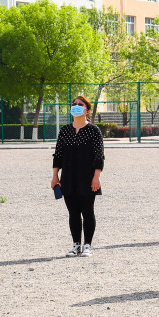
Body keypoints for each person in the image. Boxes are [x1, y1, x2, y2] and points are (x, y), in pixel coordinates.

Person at [52, 95, 105, 259]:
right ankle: (76, 245)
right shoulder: (65, 130)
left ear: (87, 110)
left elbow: (99, 155)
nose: (76, 106)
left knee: (87, 211)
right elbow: (58, 154)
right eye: (74, 104)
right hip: (68, 177)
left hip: (87, 178)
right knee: (73, 213)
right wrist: (55, 176)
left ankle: (87, 245)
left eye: (80, 104)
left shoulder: (93, 130)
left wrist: (96, 176)